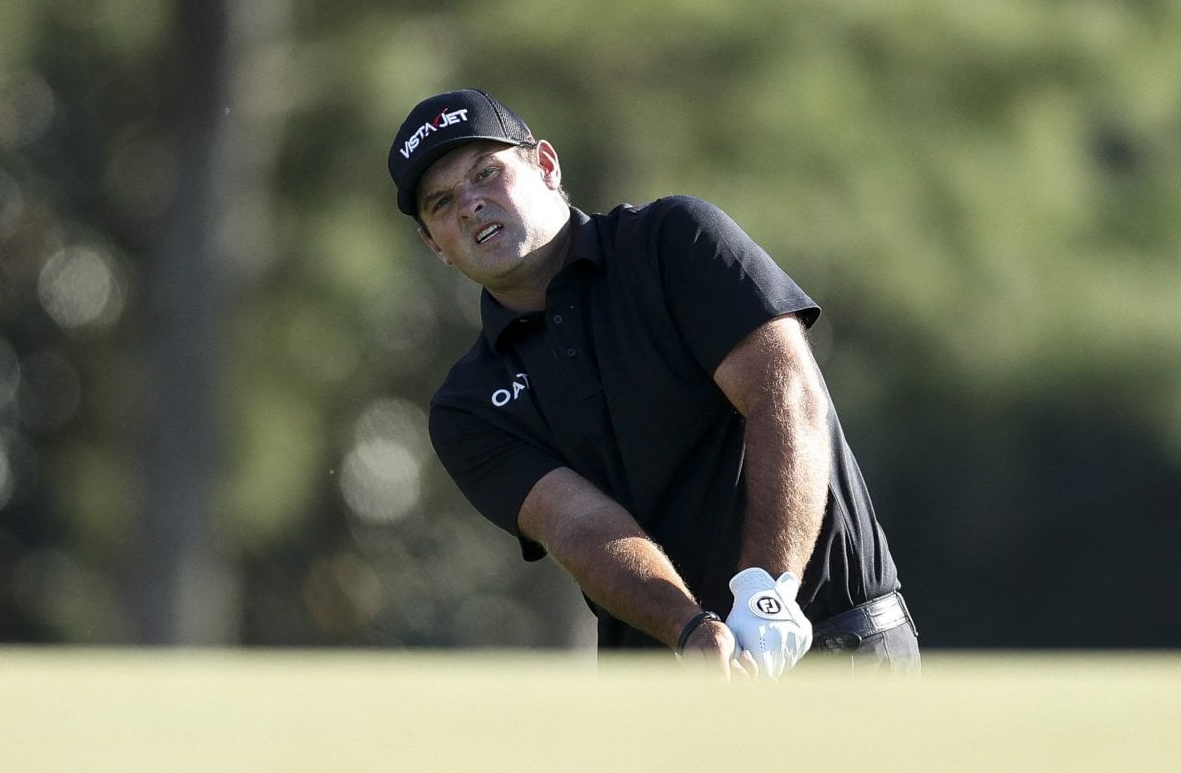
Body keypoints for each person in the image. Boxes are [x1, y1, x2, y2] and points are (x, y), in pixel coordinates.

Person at [388, 88, 917, 675]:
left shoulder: (672, 243)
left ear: (544, 164)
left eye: (487, 173)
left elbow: (785, 398)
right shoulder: (468, 406)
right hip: (667, 676)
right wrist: (692, 629)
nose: (469, 205)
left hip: (837, 638)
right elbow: (581, 525)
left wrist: (767, 593)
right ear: (434, 245)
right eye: (441, 203)